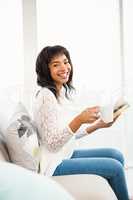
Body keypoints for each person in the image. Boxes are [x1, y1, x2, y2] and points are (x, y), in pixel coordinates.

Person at [34, 45, 131, 200]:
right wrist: (79, 119)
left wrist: (98, 125)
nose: (64, 67)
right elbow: (52, 143)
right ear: (46, 69)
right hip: (52, 164)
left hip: (64, 154)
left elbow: (67, 134)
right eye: (55, 64)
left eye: (66, 62)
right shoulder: (46, 97)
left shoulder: (60, 93)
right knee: (115, 167)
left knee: (115, 155)